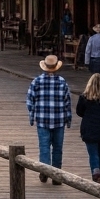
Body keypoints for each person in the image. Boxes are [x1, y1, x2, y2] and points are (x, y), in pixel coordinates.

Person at [26, 54, 72, 183]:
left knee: (44, 147)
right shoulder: (62, 82)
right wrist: (68, 119)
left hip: (42, 119)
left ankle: (45, 171)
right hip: (59, 120)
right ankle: (56, 176)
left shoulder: (36, 82)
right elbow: (67, 102)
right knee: (58, 148)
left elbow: (30, 101)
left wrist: (32, 116)